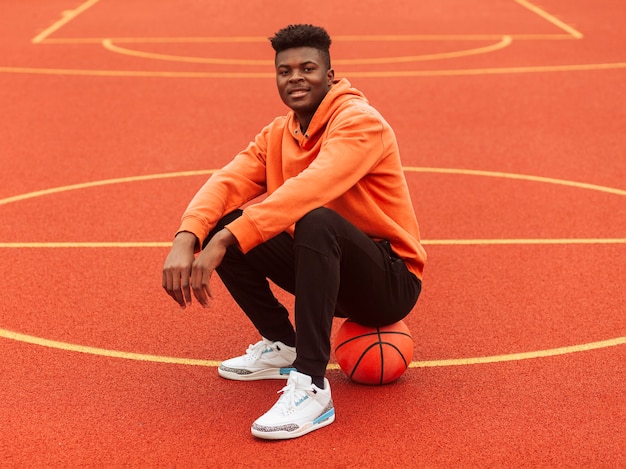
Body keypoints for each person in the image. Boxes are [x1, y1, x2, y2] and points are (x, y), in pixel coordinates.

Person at [162, 24, 426, 440]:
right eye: (285, 71)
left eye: (307, 68)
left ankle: (312, 386)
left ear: (331, 75)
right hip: (329, 271)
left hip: (389, 281)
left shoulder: (360, 123)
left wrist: (227, 241)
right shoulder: (277, 133)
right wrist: (188, 237)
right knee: (219, 222)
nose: (295, 78)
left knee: (313, 218)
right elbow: (227, 181)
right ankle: (282, 344)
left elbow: (311, 187)